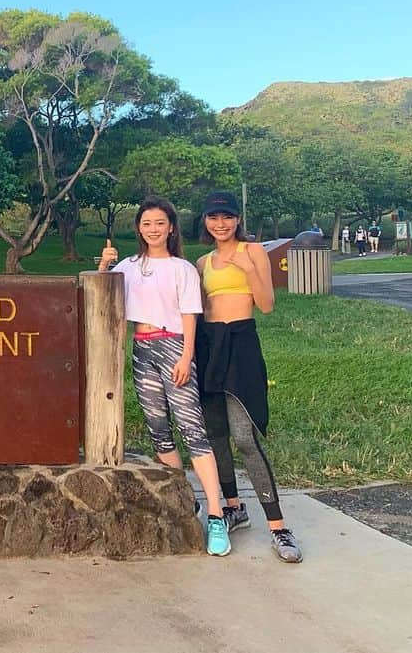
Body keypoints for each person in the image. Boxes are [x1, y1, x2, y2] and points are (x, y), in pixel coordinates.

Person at [98, 198, 231, 556]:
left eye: (160, 223)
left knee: (192, 429)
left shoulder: (182, 268)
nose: (153, 229)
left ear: (171, 227)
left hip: (173, 347)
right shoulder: (128, 266)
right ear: (138, 228)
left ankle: (217, 516)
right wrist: (105, 263)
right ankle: (186, 499)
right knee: (159, 429)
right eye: (146, 223)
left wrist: (187, 356)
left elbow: (190, 315)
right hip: (143, 349)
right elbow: (102, 293)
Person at [194, 190, 303, 563]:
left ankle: (278, 525)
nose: (220, 223)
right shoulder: (201, 261)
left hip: (241, 342)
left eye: (226, 217)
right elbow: (194, 309)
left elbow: (268, 305)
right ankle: (233, 506)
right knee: (216, 435)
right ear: (206, 221)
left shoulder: (253, 253)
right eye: (213, 217)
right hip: (210, 345)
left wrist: (249, 270)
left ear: (237, 219)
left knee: (244, 436)